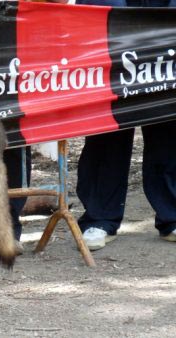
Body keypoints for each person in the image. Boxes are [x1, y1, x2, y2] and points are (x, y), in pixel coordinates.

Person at [73, 1, 176, 250]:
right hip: (107, 17)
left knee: (168, 124)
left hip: (166, 18)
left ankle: (172, 215)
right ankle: (99, 218)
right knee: (107, 127)